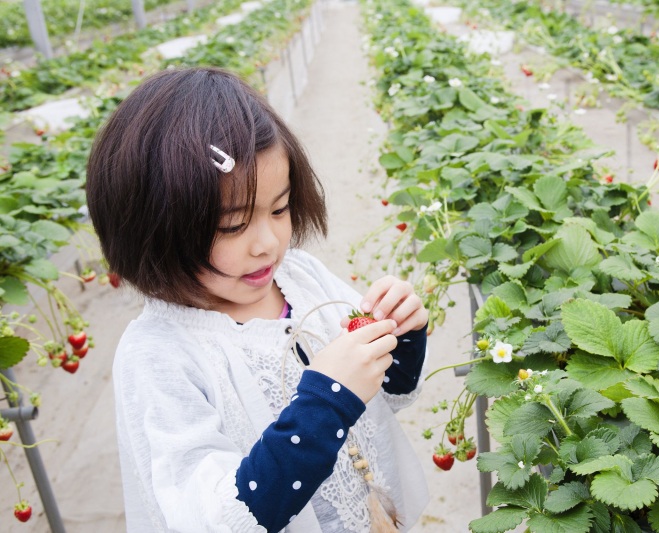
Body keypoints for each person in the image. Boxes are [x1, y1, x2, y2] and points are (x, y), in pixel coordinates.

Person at [85, 67, 430, 532]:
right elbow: (218, 518)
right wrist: (326, 400)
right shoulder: (160, 354)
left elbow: (388, 392)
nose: (267, 243)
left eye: (280, 208)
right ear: (154, 231)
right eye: (232, 226)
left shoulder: (301, 277)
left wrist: (400, 332)